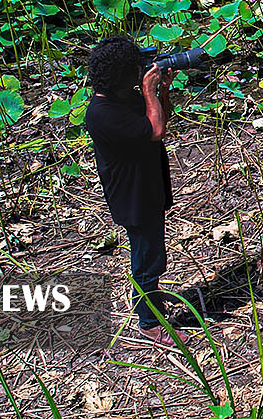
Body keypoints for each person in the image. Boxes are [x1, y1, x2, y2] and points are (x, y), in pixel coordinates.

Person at [84, 35, 187, 346]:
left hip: (148, 187)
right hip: (134, 197)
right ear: (122, 75)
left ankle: (150, 304)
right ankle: (149, 323)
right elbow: (154, 131)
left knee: (152, 254)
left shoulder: (120, 97)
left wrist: (161, 91)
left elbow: (160, 119)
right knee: (146, 260)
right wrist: (147, 90)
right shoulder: (101, 113)